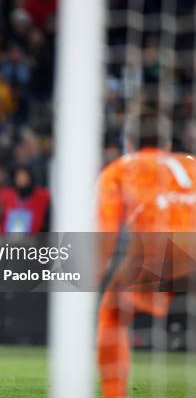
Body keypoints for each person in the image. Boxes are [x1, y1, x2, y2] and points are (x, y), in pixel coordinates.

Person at [96, 113, 196, 398]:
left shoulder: (119, 169)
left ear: (127, 143)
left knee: (112, 314)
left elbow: (104, 237)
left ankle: (115, 394)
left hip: (158, 251)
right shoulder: (191, 164)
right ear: (166, 143)